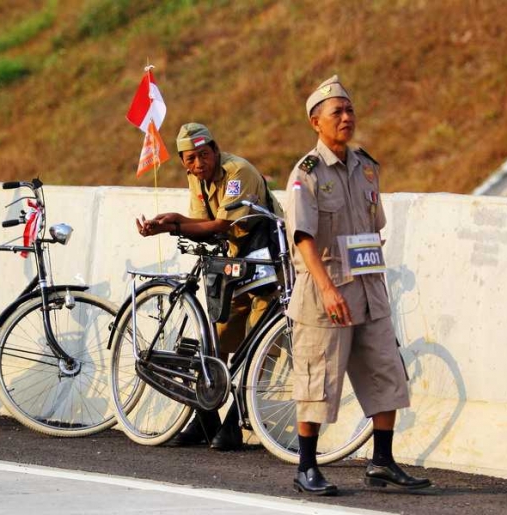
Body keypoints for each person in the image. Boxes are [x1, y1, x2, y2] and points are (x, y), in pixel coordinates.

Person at [285, 75, 431, 495]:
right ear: (317, 122)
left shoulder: (367, 167)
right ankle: (306, 467)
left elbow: (373, 226)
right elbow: (303, 238)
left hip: (369, 290)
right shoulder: (307, 174)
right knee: (318, 381)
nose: (346, 117)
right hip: (325, 292)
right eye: (337, 113)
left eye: (349, 110)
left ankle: (382, 461)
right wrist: (328, 289)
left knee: (387, 372)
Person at [136, 122, 283, 451]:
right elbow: (202, 224)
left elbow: (220, 224)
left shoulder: (237, 172)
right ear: (183, 162)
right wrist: (170, 221)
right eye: (190, 159)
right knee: (216, 341)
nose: (198, 164)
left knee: (258, 346)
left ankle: (234, 422)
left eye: (204, 155)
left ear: (216, 151)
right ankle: (205, 419)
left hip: (267, 263)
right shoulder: (196, 178)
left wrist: (172, 225)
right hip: (235, 263)